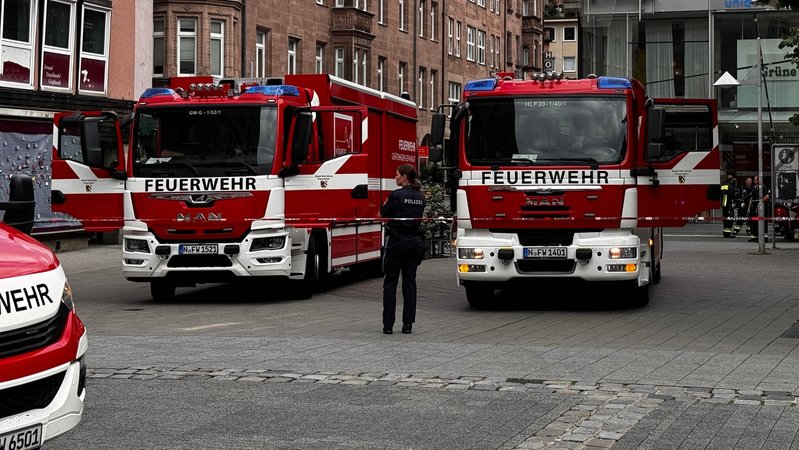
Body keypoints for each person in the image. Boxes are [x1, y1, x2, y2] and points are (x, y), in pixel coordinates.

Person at [380, 164, 426, 335]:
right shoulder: (421, 197)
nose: (395, 177)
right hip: (414, 243)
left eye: (397, 174)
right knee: (410, 283)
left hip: (396, 242)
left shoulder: (396, 195)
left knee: (390, 283)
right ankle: (408, 324)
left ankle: (388, 325)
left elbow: (382, 213)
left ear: (405, 177)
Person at [747, 175, 771, 242]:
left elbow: (767, 197)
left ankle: (764, 238)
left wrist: (760, 204)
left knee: (762, 223)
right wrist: (749, 208)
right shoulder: (755, 188)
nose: (754, 181)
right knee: (754, 223)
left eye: (755, 179)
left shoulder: (763, 187)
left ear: (759, 180)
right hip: (754, 208)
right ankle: (755, 237)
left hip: (762, 208)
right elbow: (751, 198)